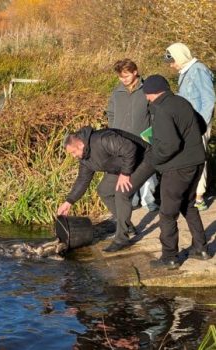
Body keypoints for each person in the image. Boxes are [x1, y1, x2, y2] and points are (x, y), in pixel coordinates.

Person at [142, 74, 212, 270]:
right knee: (189, 205)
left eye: (147, 94)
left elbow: (170, 145)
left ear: (154, 93)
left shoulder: (162, 109)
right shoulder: (182, 102)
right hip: (197, 162)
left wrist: (155, 159)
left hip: (177, 168)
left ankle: (169, 257)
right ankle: (201, 249)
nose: (147, 98)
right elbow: (201, 126)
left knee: (167, 213)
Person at [57, 126, 155, 252]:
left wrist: (125, 174)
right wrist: (69, 201)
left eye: (73, 152)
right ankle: (127, 227)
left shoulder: (102, 139)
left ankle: (122, 239)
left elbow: (130, 148)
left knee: (122, 192)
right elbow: (82, 180)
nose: (74, 156)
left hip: (144, 158)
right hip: (124, 165)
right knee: (104, 190)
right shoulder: (85, 159)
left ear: (80, 144)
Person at [164, 43, 215, 211]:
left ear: (180, 57)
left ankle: (199, 196)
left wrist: (202, 124)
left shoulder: (198, 70)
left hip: (198, 123)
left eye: (172, 61)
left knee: (198, 158)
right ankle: (192, 193)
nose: (171, 65)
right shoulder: (185, 72)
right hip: (189, 124)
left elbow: (209, 99)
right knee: (190, 158)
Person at [106, 58, 158, 212]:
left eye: (126, 76)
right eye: (121, 77)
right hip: (121, 141)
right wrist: (113, 129)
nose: (123, 80)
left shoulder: (147, 89)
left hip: (143, 139)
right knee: (127, 169)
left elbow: (154, 113)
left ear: (135, 72)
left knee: (147, 172)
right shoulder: (116, 92)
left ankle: (149, 201)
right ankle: (132, 200)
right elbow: (111, 113)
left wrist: (152, 133)